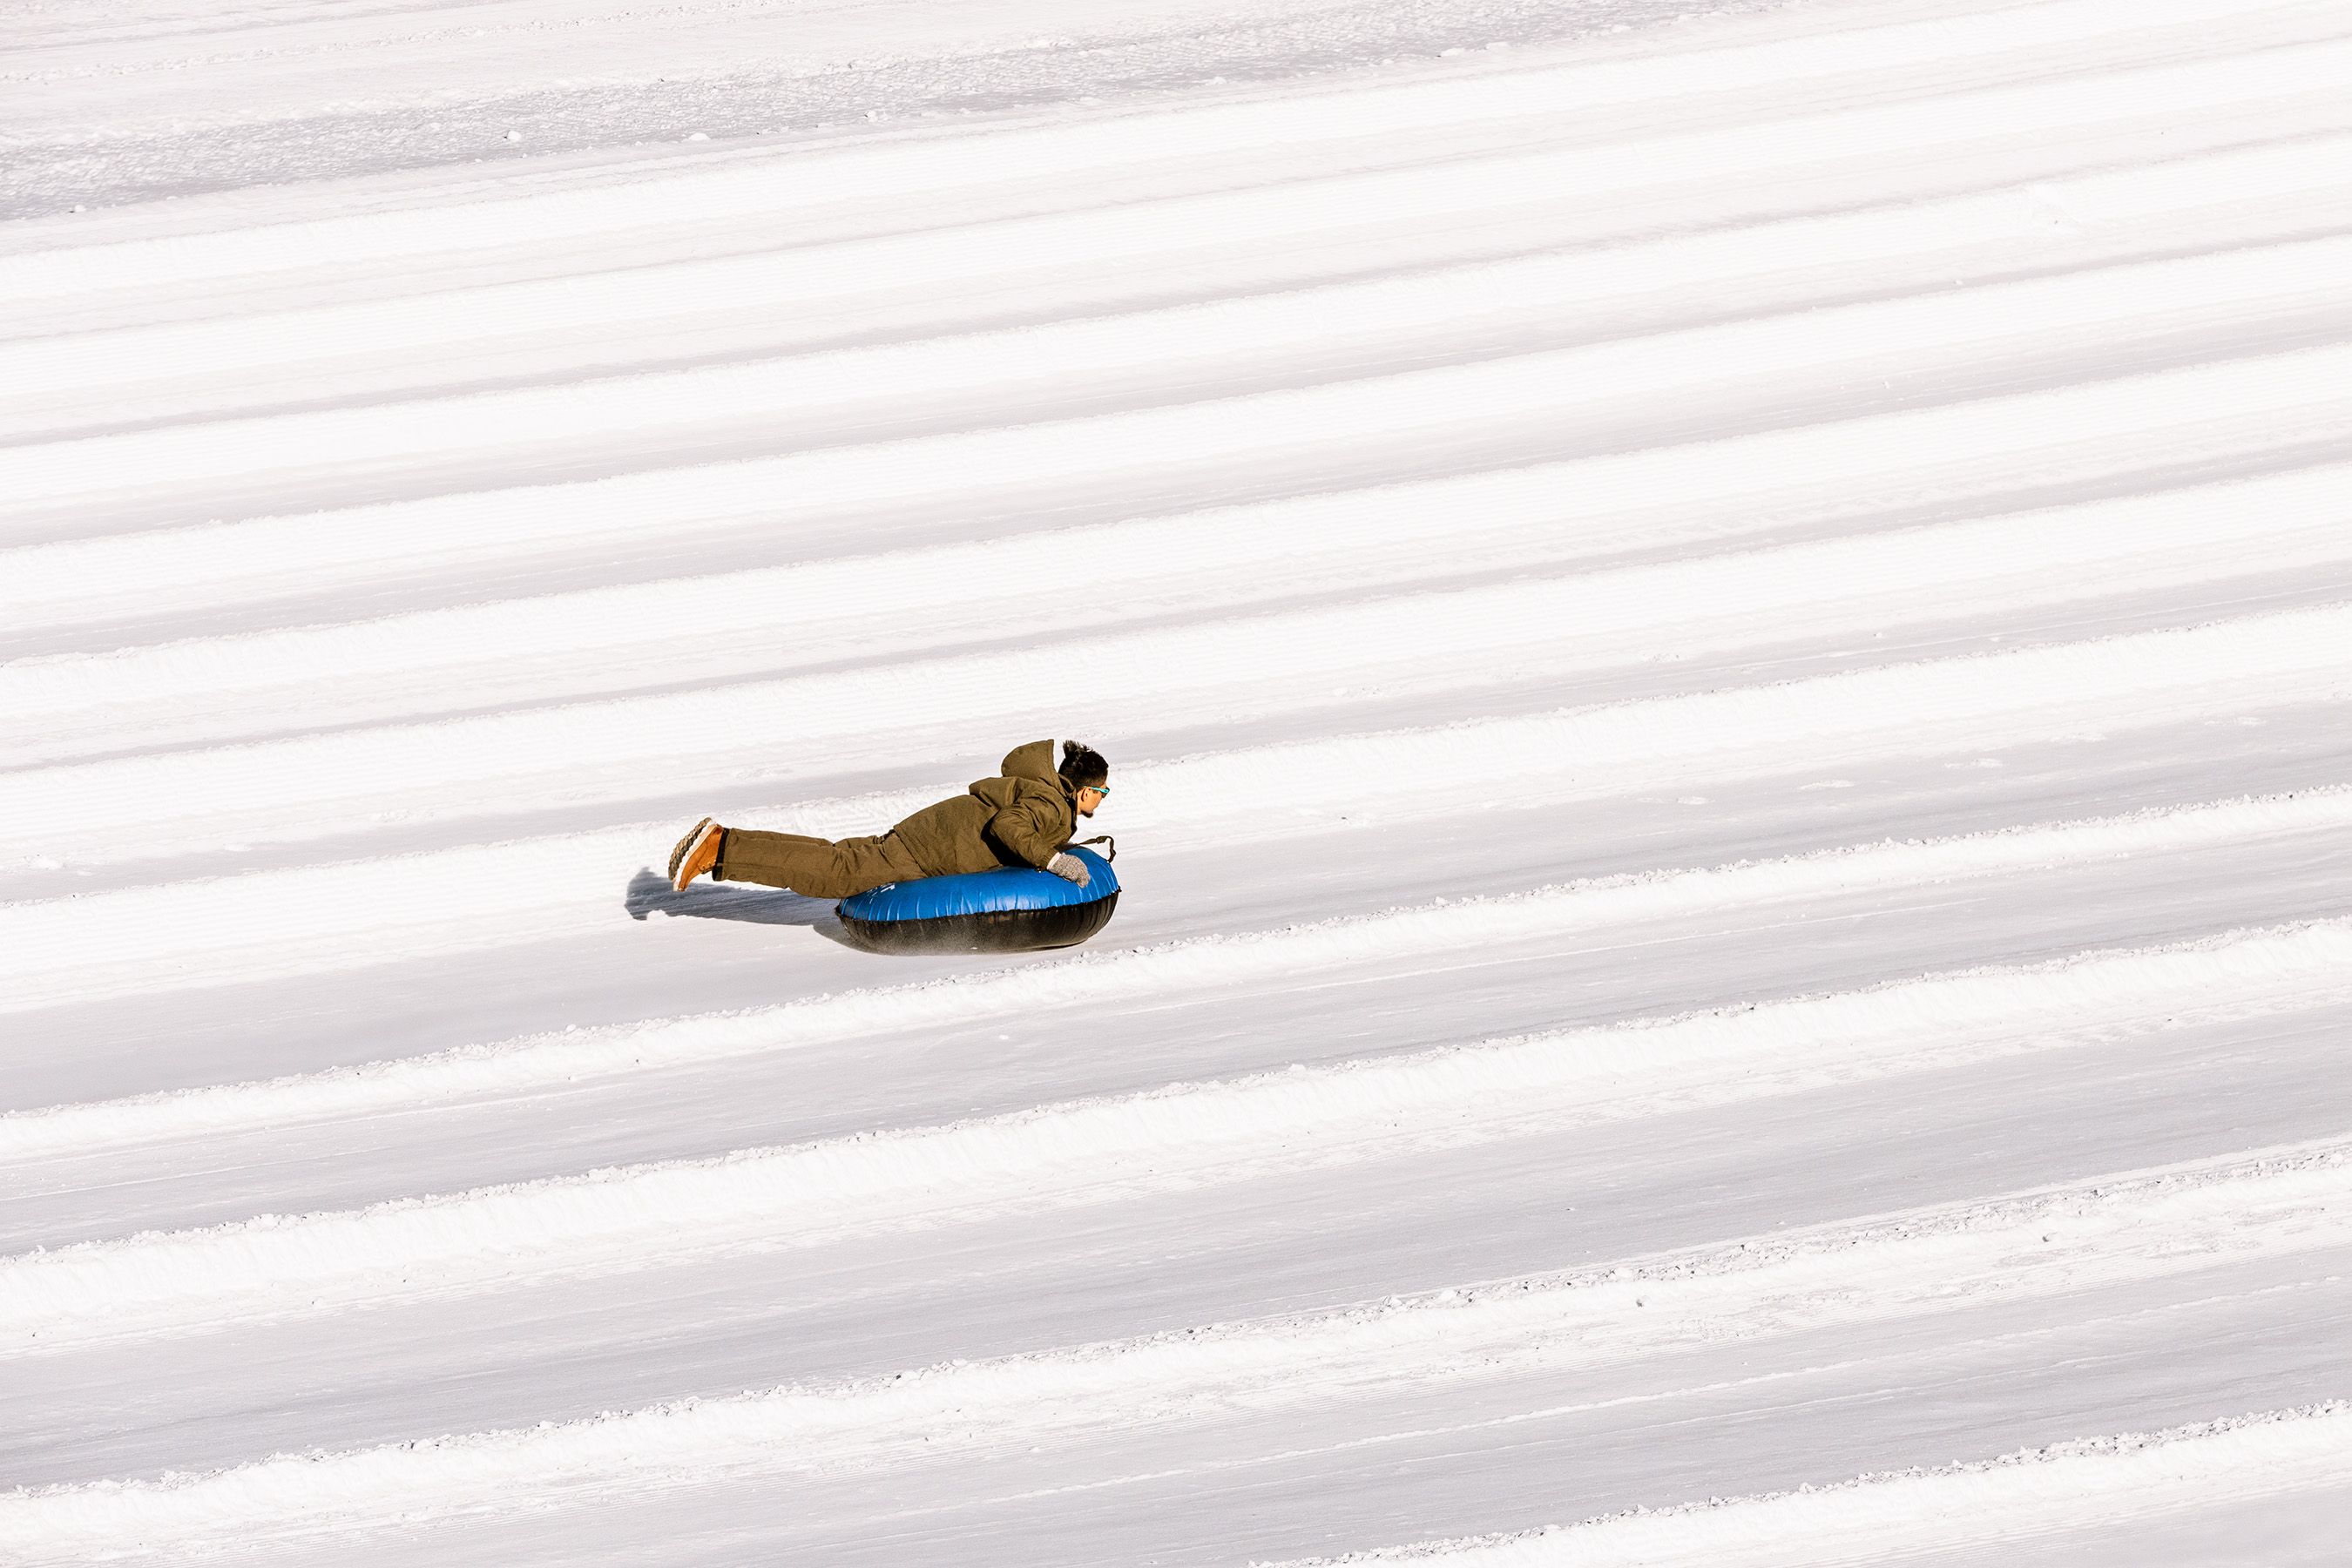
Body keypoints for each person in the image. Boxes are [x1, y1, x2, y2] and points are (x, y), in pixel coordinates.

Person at [668, 740, 1110, 897]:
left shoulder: (1043, 794)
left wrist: (1055, 848)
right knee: (837, 875)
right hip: (928, 851)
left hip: (926, 835)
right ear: (1086, 790)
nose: (1104, 800)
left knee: (837, 856)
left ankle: (725, 841)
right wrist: (1053, 861)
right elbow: (1008, 828)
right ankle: (719, 848)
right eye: (1104, 792)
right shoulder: (1051, 804)